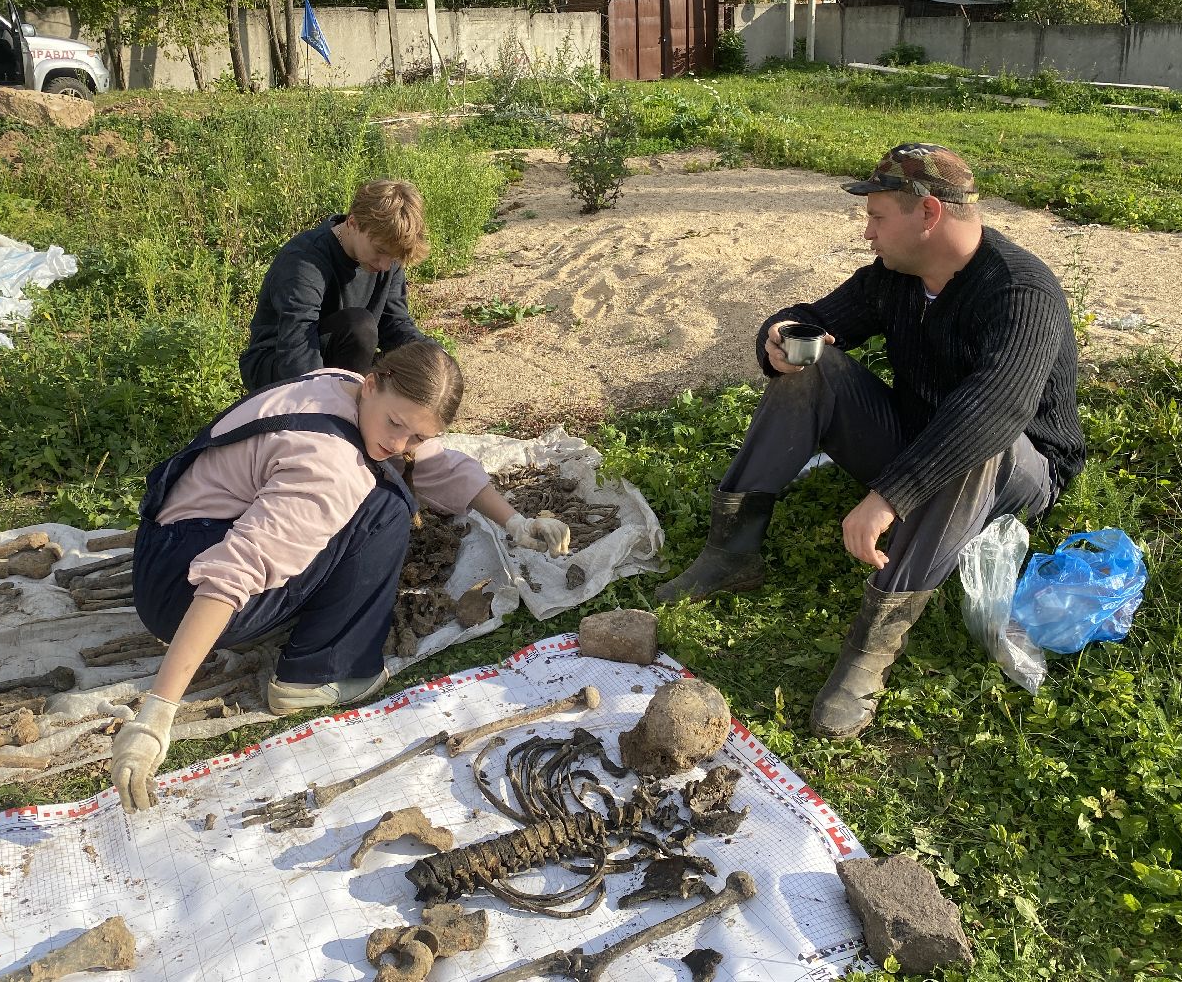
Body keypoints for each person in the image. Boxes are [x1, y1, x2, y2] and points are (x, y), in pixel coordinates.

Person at [656, 143, 1084, 739]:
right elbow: (816, 316)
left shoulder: (1019, 293)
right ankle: (731, 553)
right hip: (917, 439)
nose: (867, 233)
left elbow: (995, 409)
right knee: (814, 364)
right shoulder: (898, 278)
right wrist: (777, 336)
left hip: (1015, 474)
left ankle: (869, 652)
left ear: (928, 213)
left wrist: (890, 495)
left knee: (981, 434)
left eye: (878, 217)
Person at [110, 342, 572, 812]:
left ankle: (271, 624)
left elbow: (435, 464)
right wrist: (157, 714)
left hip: (171, 540)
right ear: (374, 384)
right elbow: (233, 572)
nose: (399, 444)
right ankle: (318, 671)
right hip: (184, 588)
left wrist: (514, 521)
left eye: (416, 435)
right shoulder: (331, 467)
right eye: (396, 425)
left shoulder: (341, 385)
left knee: (384, 484)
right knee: (388, 507)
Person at [239, 179, 433, 390]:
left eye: (393, 257)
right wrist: (323, 406)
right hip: (277, 362)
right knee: (360, 327)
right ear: (353, 223)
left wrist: (431, 355)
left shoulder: (387, 260)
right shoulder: (304, 260)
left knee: (405, 371)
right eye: (380, 251)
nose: (385, 265)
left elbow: (394, 325)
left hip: (341, 357)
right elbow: (297, 344)